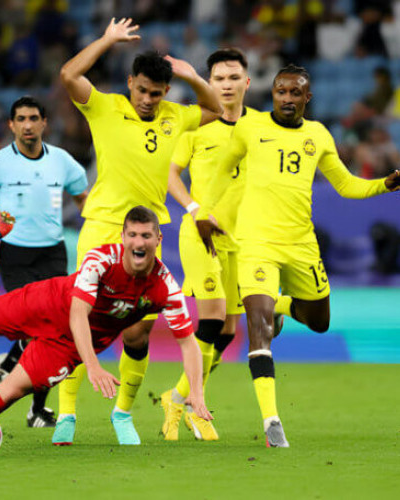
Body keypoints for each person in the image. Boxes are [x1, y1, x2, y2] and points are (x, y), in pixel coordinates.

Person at [0, 194, 211, 452]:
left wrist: (195, 391)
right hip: (49, 303)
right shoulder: (101, 261)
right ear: (123, 237)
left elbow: (188, 343)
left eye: (146, 235)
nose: (138, 242)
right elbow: (78, 315)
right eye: (132, 235)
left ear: (158, 238)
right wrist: (92, 366)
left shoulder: (165, 287)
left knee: (11, 391)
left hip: (66, 346)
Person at [196, 64, 400, 447]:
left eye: (295, 93)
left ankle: (283, 306)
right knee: (258, 329)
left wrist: (384, 185)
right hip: (256, 244)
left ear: (308, 98)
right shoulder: (249, 129)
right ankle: (272, 421)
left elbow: (346, 186)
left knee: (319, 320)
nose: (287, 99)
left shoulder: (318, 135)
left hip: (302, 245)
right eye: (281, 91)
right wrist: (203, 212)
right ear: (272, 94)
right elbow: (221, 173)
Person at [53, 17, 223, 446]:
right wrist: (107, 40)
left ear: (166, 92)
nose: (148, 99)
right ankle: (67, 413)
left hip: (148, 233)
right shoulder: (104, 106)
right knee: (84, 321)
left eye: (156, 92)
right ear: (130, 83)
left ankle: (123, 414)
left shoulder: (174, 116)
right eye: (142, 90)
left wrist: (191, 75)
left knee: (138, 330)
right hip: (101, 226)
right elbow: (69, 74)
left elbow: (216, 110)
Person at [161, 48, 262, 442]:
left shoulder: (262, 127)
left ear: (246, 82)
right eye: (218, 78)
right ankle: (196, 405)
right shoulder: (196, 125)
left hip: (243, 238)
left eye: (233, 78)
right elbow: (171, 176)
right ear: (210, 82)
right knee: (213, 317)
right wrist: (195, 208)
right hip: (200, 232)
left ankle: (177, 397)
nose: (226, 85)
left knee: (228, 331)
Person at [0, 95, 88, 428]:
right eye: (20, 119)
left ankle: (26, 392)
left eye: (34, 118)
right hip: (15, 252)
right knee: (38, 327)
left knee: (54, 332)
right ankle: (32, 403)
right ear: (11, 125)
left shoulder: (62, 161)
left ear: (44, 123)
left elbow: (83, 197)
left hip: (52, 250)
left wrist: (97, 225)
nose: (27, 125)